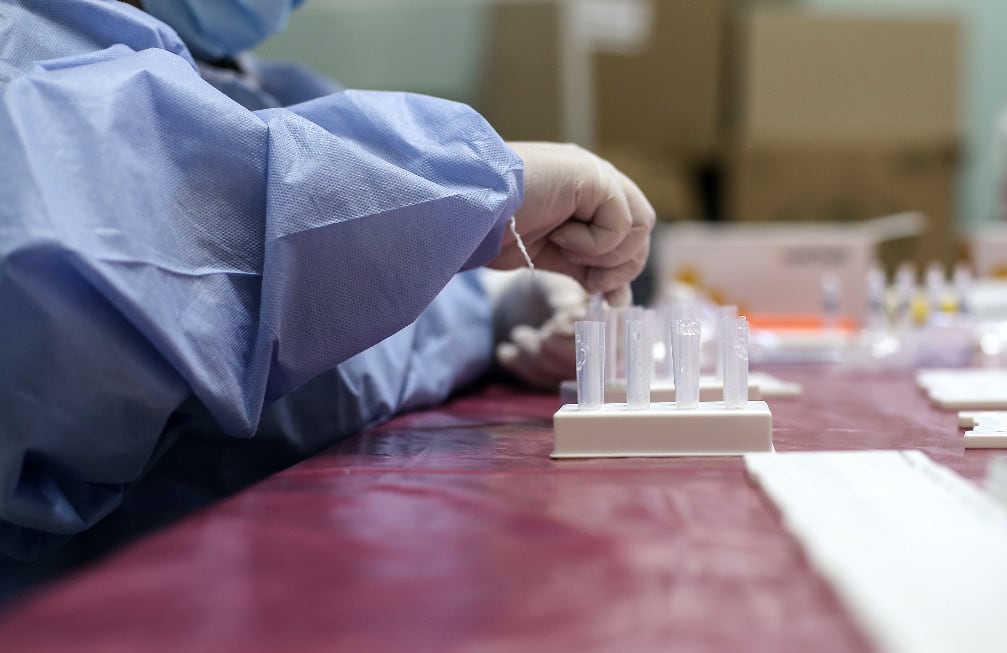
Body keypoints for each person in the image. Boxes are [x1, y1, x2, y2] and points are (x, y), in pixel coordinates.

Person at [0, 0, 655, 588]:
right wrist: (459, 190)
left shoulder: (225, 77)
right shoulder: (21, 52)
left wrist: (486, 298)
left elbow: (297, 324)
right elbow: (80, 291)